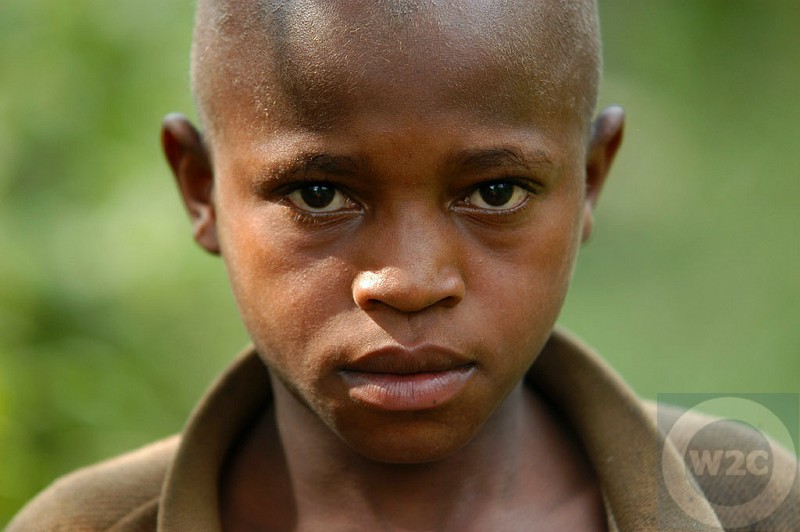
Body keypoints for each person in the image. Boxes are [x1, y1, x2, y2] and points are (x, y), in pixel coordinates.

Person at [8, 1, 798, 530]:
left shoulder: (757, 505)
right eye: (318, 194)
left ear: (591, 177)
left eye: (496, 191)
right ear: (200, 187)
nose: (410, 281)